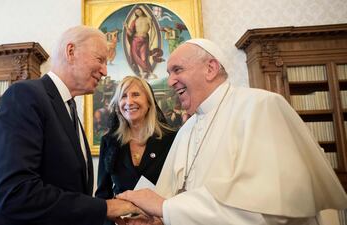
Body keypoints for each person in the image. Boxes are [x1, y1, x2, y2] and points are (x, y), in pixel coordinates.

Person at [117, 39, 347, 225]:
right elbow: (179, 197)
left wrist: (165, 208)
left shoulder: (260, 107)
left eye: (177, 70)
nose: (170, 81)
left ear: (211, 68)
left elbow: (267, 211)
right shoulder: (187, 129)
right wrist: (160, 219)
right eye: (169, 72)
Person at [0, 25, 142, 225]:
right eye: (100, 60)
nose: (104, 71)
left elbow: (70, 193)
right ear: (71, 52)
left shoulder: (69, 109)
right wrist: (105, 207)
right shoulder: (24, 96)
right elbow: (15, 193)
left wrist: (106, 215)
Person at [95, 76, 177, 225]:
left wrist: (164, 220)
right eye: (123, 96)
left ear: (149, 102)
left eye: (136, 95)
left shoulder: (172, 139)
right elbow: (103, 195)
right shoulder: (109, 142)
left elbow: (180, 190)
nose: (129, 102)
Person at [124, 7, 154, 78]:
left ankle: (147, 72)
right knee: (136, 56)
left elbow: (153, 31)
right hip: (135, 39)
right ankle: (143, 72)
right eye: (136, 12)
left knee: (143, 57)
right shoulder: (135, 21)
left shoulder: (148, 19)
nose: (138, 13)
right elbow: (130, 34)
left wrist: (152, 41)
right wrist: (126, 27)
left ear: (142, 11)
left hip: (144, 39)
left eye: (139, 11)